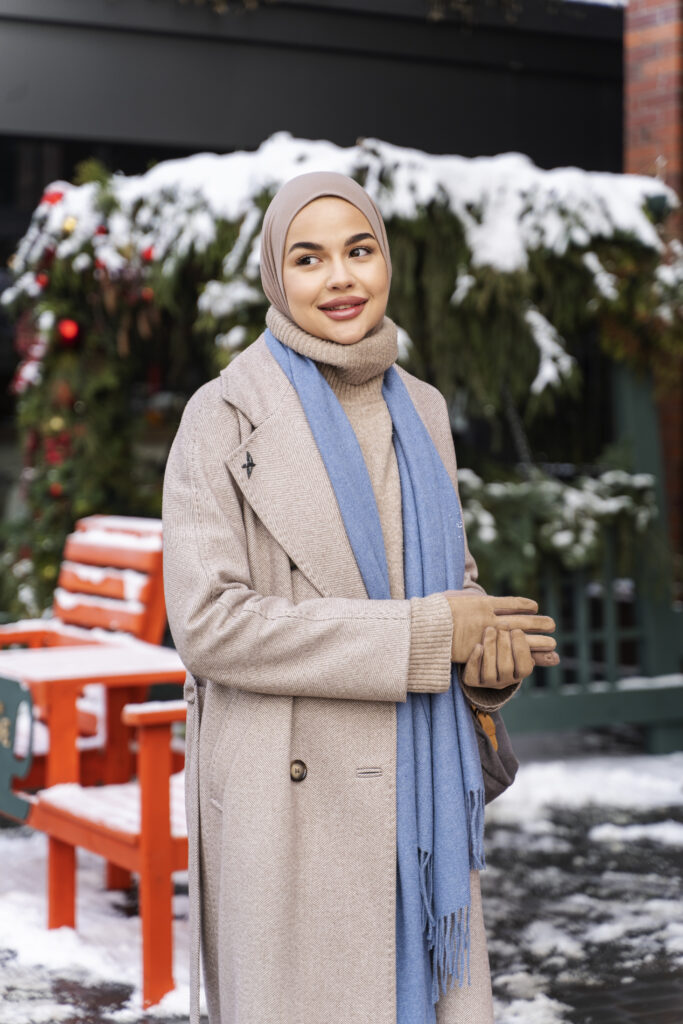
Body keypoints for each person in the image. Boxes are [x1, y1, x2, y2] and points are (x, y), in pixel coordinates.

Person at [162, 172, 558, 1024]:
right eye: (308, 257)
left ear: (385, 262)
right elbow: (208, 626)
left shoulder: (421, 408)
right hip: (288, 792)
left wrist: (484, 659)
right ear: (276, 275)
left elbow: (448, 589)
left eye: (358, 250)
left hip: (416, 795)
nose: (339, 277)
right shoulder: (221, 414)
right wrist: (424, 637)